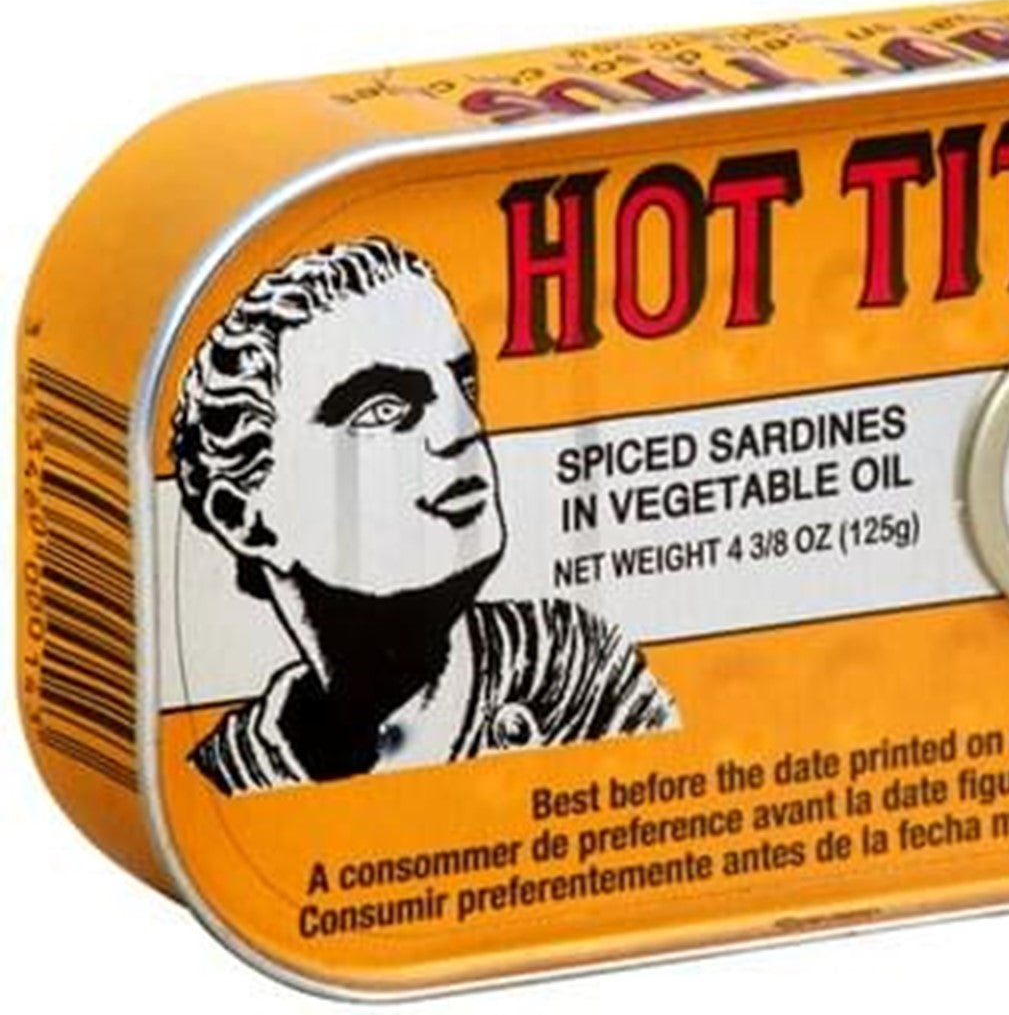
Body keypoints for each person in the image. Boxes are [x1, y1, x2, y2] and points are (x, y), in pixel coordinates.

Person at [171, 235, 677, 795]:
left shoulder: (571, 670)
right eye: (384, 410)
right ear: (243, 517)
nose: (463, 431)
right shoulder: (216, 787)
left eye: (464, 384)